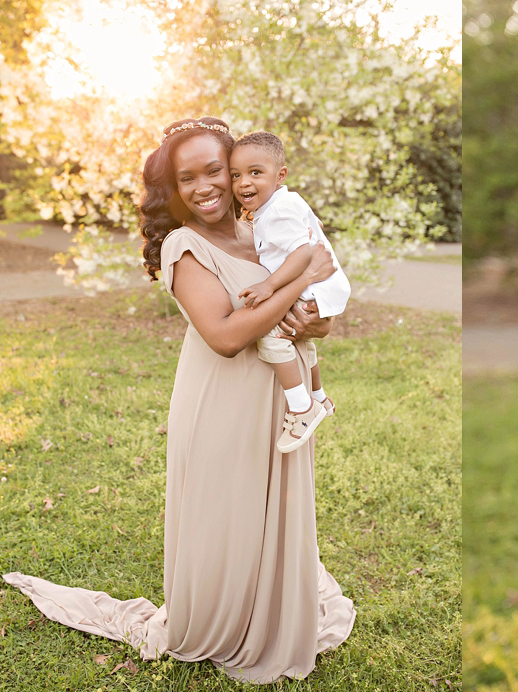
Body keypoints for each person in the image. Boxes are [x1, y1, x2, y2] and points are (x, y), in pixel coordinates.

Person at [3, 116, 355, 684]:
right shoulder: (182, 244)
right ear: (173, 190)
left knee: (270, 511)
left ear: (238, 167)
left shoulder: (260, 230)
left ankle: (269, 612)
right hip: (222, 400)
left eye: (215, 169)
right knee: (228, 514)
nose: (205, 186)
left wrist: (315, 318)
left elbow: (312, 314)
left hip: (277, 398)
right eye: (186, 178)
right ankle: (226, 622)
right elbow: (226, 335)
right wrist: (302, 273)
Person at [230, 130, 352, 453]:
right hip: (326, 286)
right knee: (303, 343)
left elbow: (302, 254)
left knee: (271, 337)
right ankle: (319, 396)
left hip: (313, 283)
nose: (244, 183)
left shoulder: (278, 213)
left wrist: (269, 286)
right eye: (236, 175)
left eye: (255, 173)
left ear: (280, 175)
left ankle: (301, 408)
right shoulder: (285, 202)